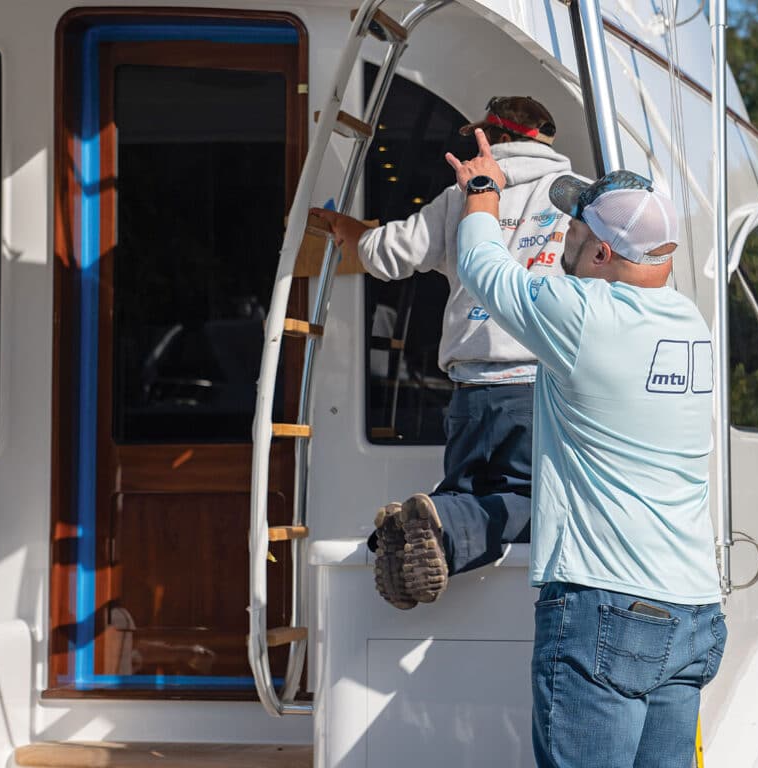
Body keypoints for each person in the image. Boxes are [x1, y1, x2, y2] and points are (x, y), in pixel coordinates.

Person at [447, 130, 726, 768]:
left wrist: (484, 192)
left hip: (608, 608)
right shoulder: (689, 322)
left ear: (602, 250)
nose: (560, 233)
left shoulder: (587, 316)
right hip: (693, 612)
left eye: (573, 226)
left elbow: (483, 270)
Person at [310, 97, 578, 610]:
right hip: (546, 383)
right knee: (537, 498)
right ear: (545, 138)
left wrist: (349, 232)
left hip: (473, 385)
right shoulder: (576, 195)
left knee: (474, 489)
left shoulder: (461, 197)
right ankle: (439, 527)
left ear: (491, 138)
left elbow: (390, 255)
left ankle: (430, 523)